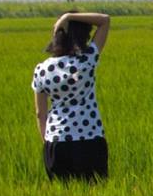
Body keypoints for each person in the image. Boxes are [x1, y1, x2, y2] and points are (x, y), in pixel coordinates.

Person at [31, 11, 112, 181]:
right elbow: (104, 20)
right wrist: (68, 17)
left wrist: (48, 143)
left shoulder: (41, 69)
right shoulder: (87, 60)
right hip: (89, 139)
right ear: (82, 36)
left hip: (56, 142)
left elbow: (40, 114)